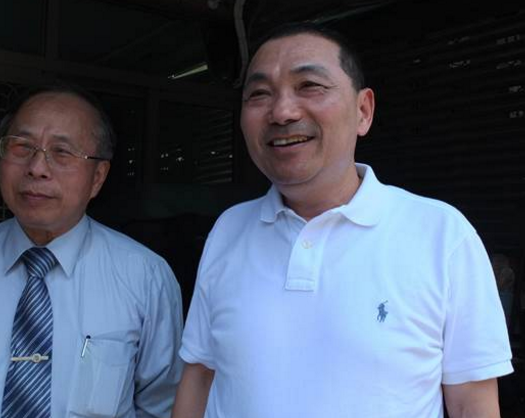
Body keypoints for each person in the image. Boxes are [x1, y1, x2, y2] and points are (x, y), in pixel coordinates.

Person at [172, 22, 513, 418]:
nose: (282, 111)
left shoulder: (441, 234)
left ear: (363, 111)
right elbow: (200, 375)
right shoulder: (229, 230)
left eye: (309, 86)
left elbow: (472, 402)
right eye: (259, 94)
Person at [0, 84, 183, 417]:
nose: (37, 168)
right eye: (22, 146)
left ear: (98, 177)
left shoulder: (146, 277)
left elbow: (163, 405)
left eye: (61, 152)